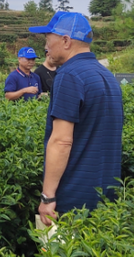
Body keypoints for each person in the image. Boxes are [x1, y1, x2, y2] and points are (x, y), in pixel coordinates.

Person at [29, 12, 123, 225]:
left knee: (66, 256)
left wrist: (48, 197)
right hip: (106, 194)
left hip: (75, 197)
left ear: (65, 40)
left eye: (48, 40)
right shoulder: (106, 75)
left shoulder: (69, 75)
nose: (46, 47)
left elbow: (61, 141)